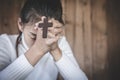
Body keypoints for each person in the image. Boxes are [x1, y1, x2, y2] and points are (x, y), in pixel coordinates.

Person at [0, 0, 88, 80]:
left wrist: (55, 50)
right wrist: (38, 50)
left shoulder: (60, 43)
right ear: (21, 24)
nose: (42, 41)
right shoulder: (6, 43)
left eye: (47, 36)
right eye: (34, 36)